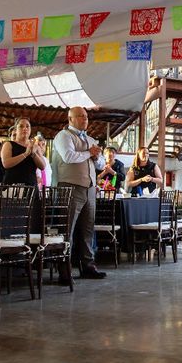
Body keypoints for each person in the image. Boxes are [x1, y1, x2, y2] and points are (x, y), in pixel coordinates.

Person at [51, 106, 105, 281]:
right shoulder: (63, 136)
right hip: (69, 186)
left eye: (87, 117)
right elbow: (68, 156)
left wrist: (96, 158)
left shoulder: (90, 139)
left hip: (89, 188)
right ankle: (64, 270)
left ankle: (88, 266)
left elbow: (101, 165)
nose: (85, 119)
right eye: (81, 116)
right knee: (67, 229)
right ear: (70, 119)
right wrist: (89, 153)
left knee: (87, 230)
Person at [1, 118, 46, 185]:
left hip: (31, 186)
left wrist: (33, 154)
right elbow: (6, 164)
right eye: (21, 126)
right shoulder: (8, 144)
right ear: (16, 130)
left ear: (30, 129)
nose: (25, 128)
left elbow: (43, 166)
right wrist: (25, 154)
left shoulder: (35, 146)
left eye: (27, 126)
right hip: (12, 186)